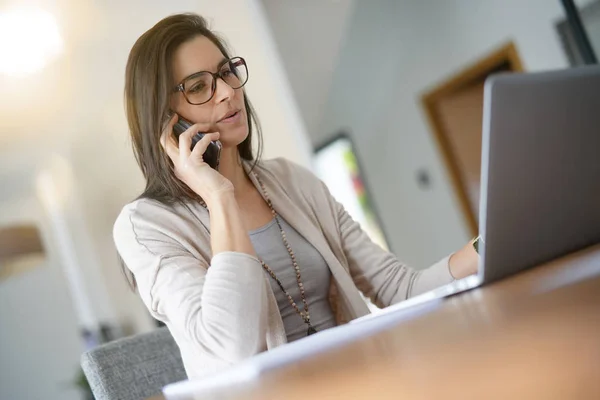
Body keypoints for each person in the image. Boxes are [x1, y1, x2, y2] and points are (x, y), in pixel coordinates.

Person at [114, 13, 478, 379]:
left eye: (226, 72)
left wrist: (487, 244)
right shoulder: (144, 225)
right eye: (197, 87)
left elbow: (400, 288)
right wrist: (219, 195)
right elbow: (232, 347)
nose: (227, 91)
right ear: (164, 120)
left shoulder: (291, 180)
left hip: (364, 377)